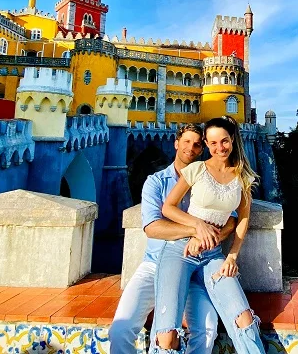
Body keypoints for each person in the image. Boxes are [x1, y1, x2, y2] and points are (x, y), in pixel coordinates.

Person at [109, 123, 237, 354]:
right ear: (176, 143)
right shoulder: (157, 182)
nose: (191, 148)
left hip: (197, 266)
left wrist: (208, 237)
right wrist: (197, 229)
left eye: (197, 144)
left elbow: (231, 220)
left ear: (203, 149)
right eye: (186, 142)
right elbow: (153, 228)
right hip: (155, 262)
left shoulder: (213, 178)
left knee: (207, 330)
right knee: (121, 330)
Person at [152, 116, 265, 354]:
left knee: (243, 319)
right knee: (167, 335)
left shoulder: (243, 176)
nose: (219, 148)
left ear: (232, 140)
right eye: (212, 143)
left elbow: (242, 218)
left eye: (224, 141)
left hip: (213, 255)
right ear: (206, 143)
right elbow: (168, 208)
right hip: (180, 250)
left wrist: (232, 256)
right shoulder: (196, 169)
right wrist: (197, 226)